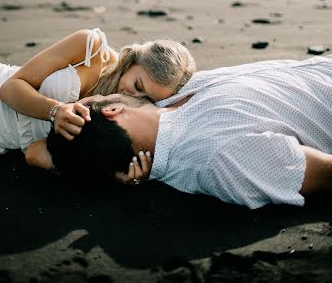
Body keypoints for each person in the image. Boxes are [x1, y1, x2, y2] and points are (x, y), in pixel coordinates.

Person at [38, 55, 332, 209]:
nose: (103, 93)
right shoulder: (220, 159)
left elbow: (39, 154)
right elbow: (324, 172)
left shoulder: (167, 98)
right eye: (95, 99)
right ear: (113, 111)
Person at [0, 28, 195, 176]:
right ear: (135, 60)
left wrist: (118, 175)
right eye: (138, 85)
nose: (134, 97)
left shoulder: (120, 122)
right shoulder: (90, 47)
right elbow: (10, 88)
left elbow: (40, 153)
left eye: (147, 98)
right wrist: (54, 111)